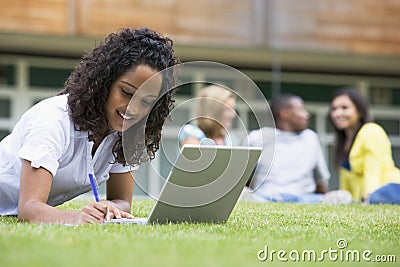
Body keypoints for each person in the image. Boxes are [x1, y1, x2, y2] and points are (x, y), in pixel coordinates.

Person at [0, 28, 179, 224]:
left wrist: (110, 208)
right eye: (127, 93)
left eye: (146, 102)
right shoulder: (53, 119)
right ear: (104, 82)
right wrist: (78, 217)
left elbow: (121, 201)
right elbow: (29, 208)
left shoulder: (124, 132)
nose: (133, 109)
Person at [244, 93, 336, 203]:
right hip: (265, 198)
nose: (307, 115)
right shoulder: (257, 137)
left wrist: (327, 201)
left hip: (305, 199)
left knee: (343, 197)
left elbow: (320, 181)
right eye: (301, 110)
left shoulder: (310, 137)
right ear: (285, 114)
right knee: (242, 195)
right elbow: (242, 177)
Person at [329, 87, 400, 204]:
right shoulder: (342, 142)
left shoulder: (371, 130)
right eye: (334, 109)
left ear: (360, 111)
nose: (338, 113)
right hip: (364, 197)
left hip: (389, 190)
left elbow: (373, 167)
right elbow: (346, 183)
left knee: (376, 197)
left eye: (344, 108)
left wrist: (369, 196)